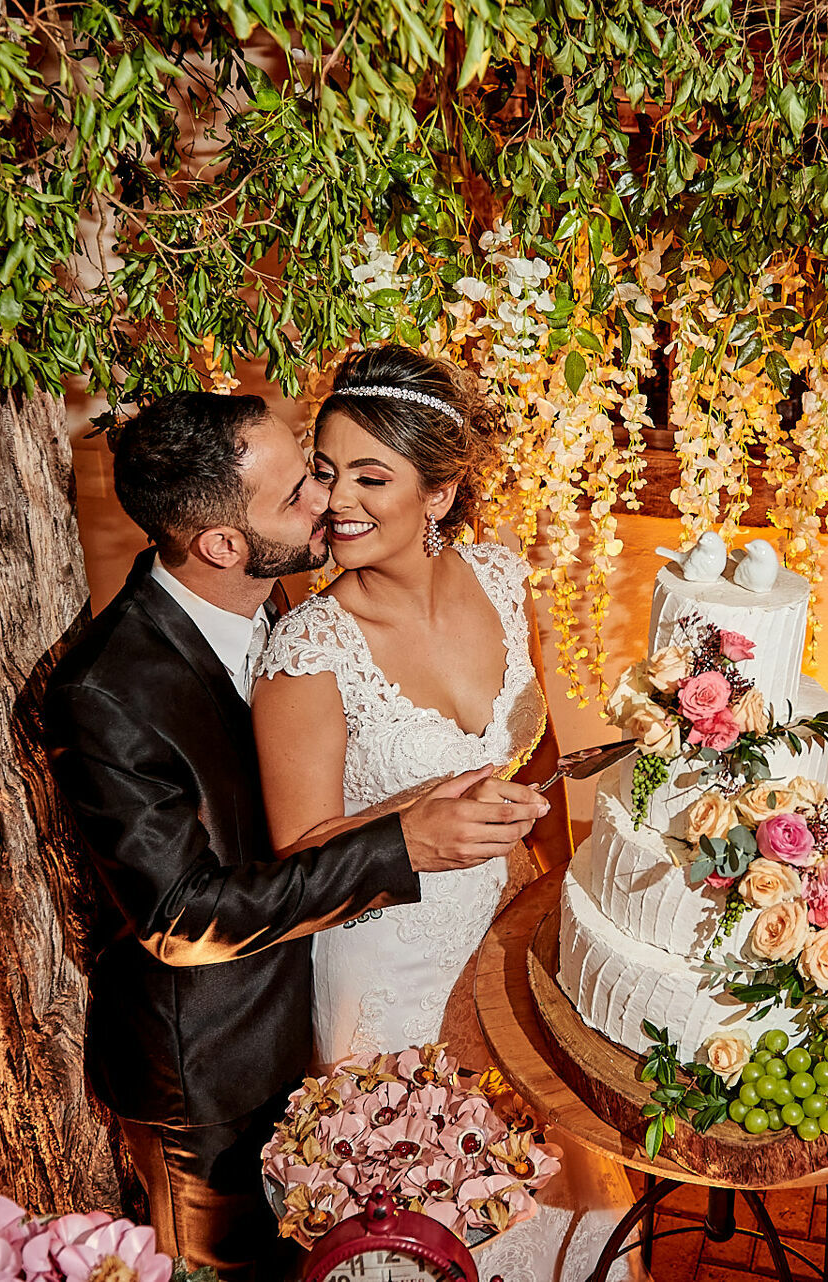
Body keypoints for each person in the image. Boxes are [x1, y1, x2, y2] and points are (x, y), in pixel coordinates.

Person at [45, 390, 551, 1282]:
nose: (328, 500)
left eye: (321, 471)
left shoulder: (284, 601)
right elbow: (178, 910)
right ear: (221, 546)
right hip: (218, 1066)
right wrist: (405, 843)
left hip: (342, 991)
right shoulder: (107, 692)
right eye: (302, 491)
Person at [254, 346, 636, 1280]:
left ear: (439, 492)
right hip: (391, 970)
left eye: (371, 476)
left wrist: (551, 892)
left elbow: (538, 754)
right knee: (428, 1216)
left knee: (548, 1184)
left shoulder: (503, 579)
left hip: (507, 942)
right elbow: (295, 859)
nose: (337, 499)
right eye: (326, 471)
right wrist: (409, 819)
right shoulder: (309, 650)